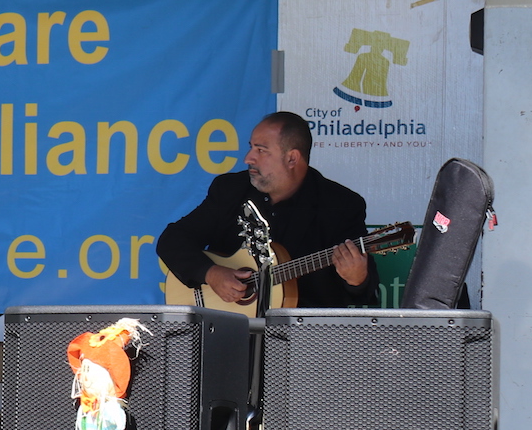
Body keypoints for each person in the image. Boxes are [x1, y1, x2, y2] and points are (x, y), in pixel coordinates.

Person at [157, 111, 377, 309]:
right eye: (251, 147)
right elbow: (172, 240)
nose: (248, 158)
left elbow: (364, 293)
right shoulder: (231, 190)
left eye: (261, 150)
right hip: (229, 331)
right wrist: (211, 274)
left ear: (292, 158)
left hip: (303, 339)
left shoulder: (341, 205)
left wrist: (357, 279)